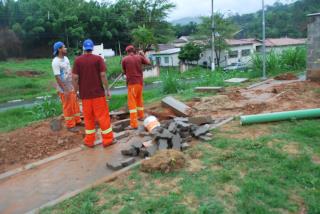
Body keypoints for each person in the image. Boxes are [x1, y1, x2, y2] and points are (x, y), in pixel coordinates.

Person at [72, 39, 115, 148]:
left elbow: (75, 78)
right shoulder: (98, 59)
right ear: (92, 48)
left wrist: (76, 91)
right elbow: (103, 75)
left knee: (88, 118)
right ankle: (108, 140)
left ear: (83, 48)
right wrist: (107, 89)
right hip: (98, 95)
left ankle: (89, 141)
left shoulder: (78, 61)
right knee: (103, 117)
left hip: (85, 96)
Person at [52, 41, 81, 132]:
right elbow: (57, 77)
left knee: (74, 104)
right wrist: (65, 90)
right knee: (67, 106)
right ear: (59, 49)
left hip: (70, 85)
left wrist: (74, 85)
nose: (66, 48)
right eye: (64, 47)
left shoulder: (66, 59)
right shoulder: (55, 62)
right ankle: (70, 125)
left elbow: (70, 72)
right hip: (64, 88)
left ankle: (77, 120)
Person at [122, 45, 151, 129]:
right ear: (134, 51)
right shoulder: (139, 57)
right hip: (140, 83)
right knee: (139, 100)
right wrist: (143, 55)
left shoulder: (125, 59)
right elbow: (149, 63)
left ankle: (134, 124)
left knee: (132, 104)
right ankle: (141, 116)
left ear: (127, 52)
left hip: (132, 83)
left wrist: (127, 72)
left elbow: (124, 71)